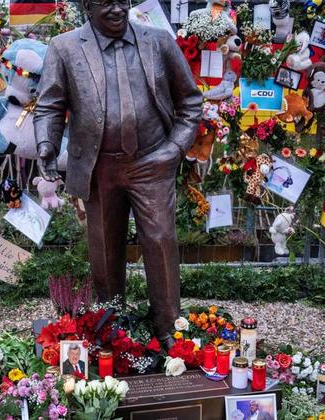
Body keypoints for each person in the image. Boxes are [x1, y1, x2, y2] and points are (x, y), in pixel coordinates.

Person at [34, 0, 202, 347]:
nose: (115, 9)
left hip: (152, 162)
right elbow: (50, 104)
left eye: (121, 1)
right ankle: (111, 327)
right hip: (99, 167)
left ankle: (170, 329)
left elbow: (190, 101)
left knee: (159, 241)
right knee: (105, 249)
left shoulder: (158, 41)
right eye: (104, 3)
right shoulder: (64, 47)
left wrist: (173, 150)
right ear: (87, 7)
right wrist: (46, 144)